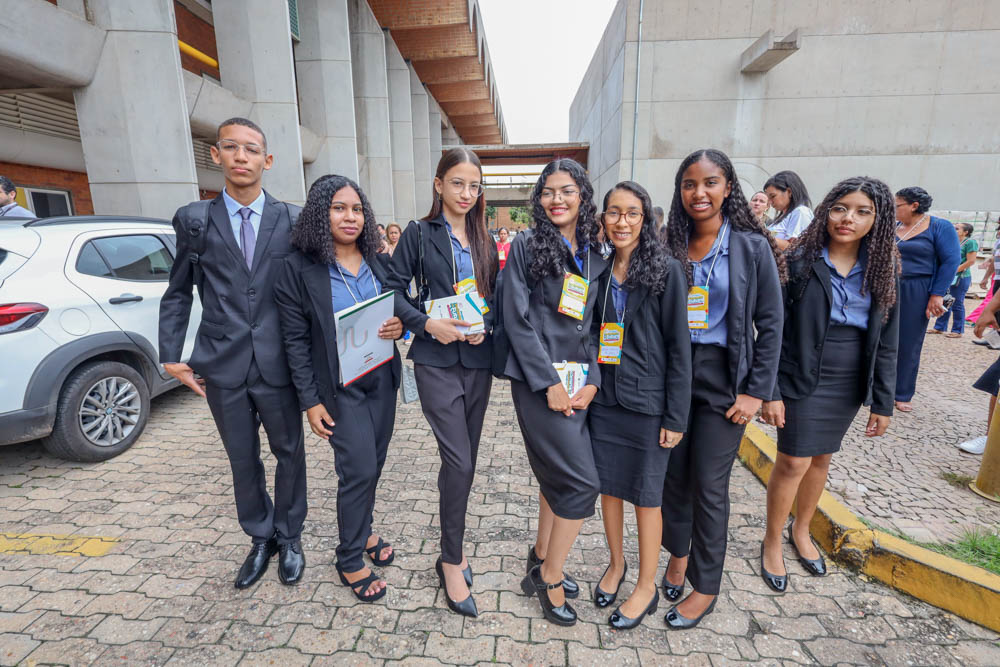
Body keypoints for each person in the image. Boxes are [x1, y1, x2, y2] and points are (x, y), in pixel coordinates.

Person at [158, 117, 307, 589]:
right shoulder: (194, 220)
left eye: (251, 149)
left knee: (289, 453)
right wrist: (170, 353)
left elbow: (311, 292)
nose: (241, 156)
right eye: (231, 147)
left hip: (279, 362)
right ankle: (260, 536)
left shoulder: (293, 218)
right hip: (222, 363)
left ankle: (290, 535)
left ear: (268, 160)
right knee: (242, 458)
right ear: (216, 156)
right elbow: (178, 290)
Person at [660, 149, 784, 629]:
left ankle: (706, 585)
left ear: (728, 188)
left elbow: (771, 324)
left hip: (724, 377)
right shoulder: (669, 242)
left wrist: (757, 391)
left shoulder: (752, 248)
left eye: (710, 182)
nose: (699, 193)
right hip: (672, 371)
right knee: (672, 477)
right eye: (690, 184)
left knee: (709, 485)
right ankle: (677, 555)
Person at [760, 177, 900, 593]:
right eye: (840, 208)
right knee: (793, 461)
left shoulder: (885, 264)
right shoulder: (801, 258)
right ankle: (771, 541)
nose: (848, 219)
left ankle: (801, 531)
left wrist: (883, 400)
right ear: (825, 210)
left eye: (862, 212)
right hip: (801, 370)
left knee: (821, 459)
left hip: (849, 375)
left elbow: (890, 335)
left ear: (878, 219)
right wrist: (771, 388)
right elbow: (773, 329)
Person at [274, 175, 404, 602]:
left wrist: (401, 325)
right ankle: (349, 559)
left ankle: (362, 531)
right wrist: (309, 401)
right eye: (339, 208)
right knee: (359, 469)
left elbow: (395, 306)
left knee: (376, 462)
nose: (350, 217)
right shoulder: (297, 268)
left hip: (381, 377)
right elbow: (294, 340)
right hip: (337, 388)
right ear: (319, 213)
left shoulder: (377, 260)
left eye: (357, 209)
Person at [385, 147, 498, 618]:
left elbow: (495, 298)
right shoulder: (418, 233)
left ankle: (454, 544)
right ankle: (451, 560)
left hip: (478, 361)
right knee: (460, 460)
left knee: (462, 463)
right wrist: (426, 324)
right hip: (434, 360)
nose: (466, 193)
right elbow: (392, 288)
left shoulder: (486, 239)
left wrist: (486, 327)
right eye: (457, 183)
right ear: (439, 185)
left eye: (474, 185)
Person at [504, 158, 610, 627]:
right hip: (539, 382)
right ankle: (551, 575)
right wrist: (547, 382)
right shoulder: (526, 246)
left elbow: (594, 326)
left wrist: (593, 381)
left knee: (555, 477)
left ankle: (541, 555)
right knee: (581, 483)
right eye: (548, 192)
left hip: (578, 383)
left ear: (582, 195)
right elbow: (516, 320)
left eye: (566, 191)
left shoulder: (594, 251)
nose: (556, 200)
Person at [589, 181, 691, 629]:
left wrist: (676, 414)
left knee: (647, 498)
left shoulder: (667, 270)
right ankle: (617, 564)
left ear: (646, 219)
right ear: (603, 219)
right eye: (614, 212)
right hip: (605, 399)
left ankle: (646, 585)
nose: (622, 222)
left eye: (632, 213)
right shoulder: (598, 267)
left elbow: (680, 348)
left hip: (650, 403)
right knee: (610, 488)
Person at [893, 186, 960, 412]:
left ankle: (902, 392)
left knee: (909, 340)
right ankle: (874, 386)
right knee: (880, 335)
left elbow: (951, 261)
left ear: (914, 206)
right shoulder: (895, 227)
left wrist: (937, 294)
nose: (893, 208)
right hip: (889, 285)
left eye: (897, 205)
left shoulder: (940, 226)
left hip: (918, 288)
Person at [930, 222, 978, 337]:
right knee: (945, 301)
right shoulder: (954, 241)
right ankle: (940, 327)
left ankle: (957, 330)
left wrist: (954, 270)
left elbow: (971, 261)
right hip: (949, 277)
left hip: (961, 277)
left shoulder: (970, 242)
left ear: (966, 232)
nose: (954, 230)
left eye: (957, 229)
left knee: (957, 303)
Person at [764, 171, 813, 250]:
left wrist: (763, 235)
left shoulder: (801, 212)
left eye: (773, 196)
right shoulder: (783, 216)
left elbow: (794, 248)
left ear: (789, 192)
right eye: (768, 198)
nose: (769, 202)